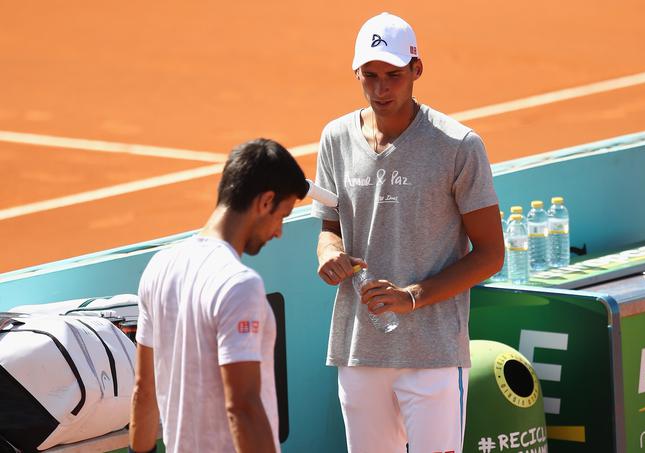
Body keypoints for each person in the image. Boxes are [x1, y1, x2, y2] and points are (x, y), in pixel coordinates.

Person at [311, 12, 505, 453]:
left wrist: (412, 296)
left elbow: (491, 253)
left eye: (394, 76)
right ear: (356, 73)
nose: (381, 89)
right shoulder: (335, 139)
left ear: (417, 70)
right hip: (359, 351)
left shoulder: (459, 146)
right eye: (371, 76)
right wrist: (329, 254)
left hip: (434, 356)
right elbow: (328, 230)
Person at [129, 138, 308, 453]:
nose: (279, 231)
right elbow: (243, 407)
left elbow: (144, 391)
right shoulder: (240, 285)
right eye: (282, 215)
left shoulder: (159, 267)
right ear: (265, 202)